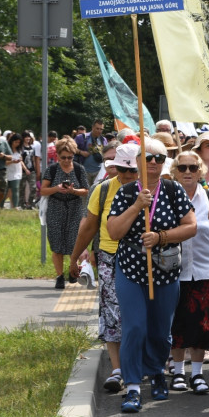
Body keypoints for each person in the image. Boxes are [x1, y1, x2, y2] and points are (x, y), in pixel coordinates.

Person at [107, 137, 197, 413]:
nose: (153, 163)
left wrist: (160, 237)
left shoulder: (173, 190)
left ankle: (157, 372)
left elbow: (191, 226)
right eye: (148, 158)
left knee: (160, 329)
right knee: (134, 327)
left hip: (165, 271)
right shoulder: (125, 192)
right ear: (137, 163)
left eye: (159, 158)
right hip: (131, 269)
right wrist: (136, 206)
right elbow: (113, 232)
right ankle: (133, 385)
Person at [69, 142, 140, 394]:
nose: (128, 175)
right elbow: (89, 226)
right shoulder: (102, 190)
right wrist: (74, 257)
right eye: (122, 169)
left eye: (133, 170)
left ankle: (143, 365)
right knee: (112, 314)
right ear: (113, 168)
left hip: (144, 258)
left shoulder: (151, 190)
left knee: (139, 314)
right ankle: (118, 369)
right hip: (110, 257)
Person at [169, 150, 209, 395]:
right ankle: (178, 371)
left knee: (203, 323)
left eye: (193, 167)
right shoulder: (167, 198)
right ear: (175, 172)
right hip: (173, 270)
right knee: (177, 321)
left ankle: (198, 374)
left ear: (201, 170)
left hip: (205, 270)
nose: (188, 172)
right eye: (183, 168)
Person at [41, 137, 90, 289]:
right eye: (63, 157)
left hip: (74, 208)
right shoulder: (52, 169)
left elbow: (86, 190)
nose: (67, 160)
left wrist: (73, 190)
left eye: (70, 157)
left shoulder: (78, 168)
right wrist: (57, 188)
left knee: (74, 242)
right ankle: (59, 276)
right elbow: (43, 190)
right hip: (56, 208)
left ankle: (72, 270)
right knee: (57, 243)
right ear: (57, 156)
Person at [19, 132, 40, 208]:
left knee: (33, 188)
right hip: (23, 171)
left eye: (29, 137)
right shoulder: (21, 148)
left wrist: (35, 169)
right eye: (26, 137)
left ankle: (30, 204)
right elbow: (20, 160)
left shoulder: (32, 147)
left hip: (31, 170)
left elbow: (33, 159)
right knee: (22, 188)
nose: (28, 139)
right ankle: (22, 204)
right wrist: (25, 169)